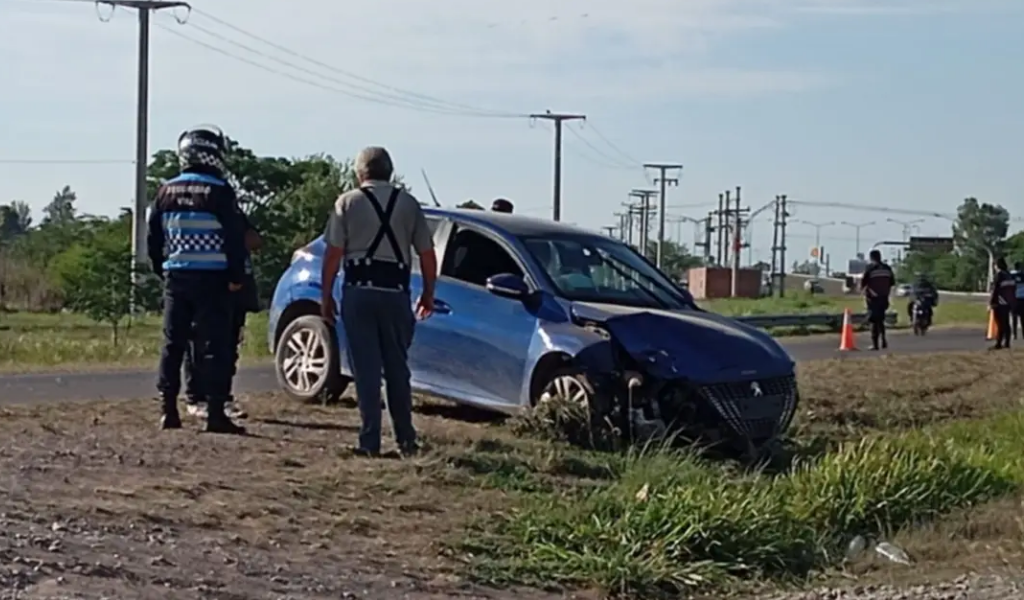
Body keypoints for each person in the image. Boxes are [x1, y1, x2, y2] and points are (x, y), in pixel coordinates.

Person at [320, 146, 437, 457]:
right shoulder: (408, 204)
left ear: (360, 174)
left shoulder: (347, 202)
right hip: (396, 293)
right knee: (397, 369)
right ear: (390, 172)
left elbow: (333, 254)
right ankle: (406, 439)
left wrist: (325, 296)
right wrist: (428, 293)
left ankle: (369, 440)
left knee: (366, 370)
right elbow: (427, 253)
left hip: (359, 290)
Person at [147, 124, 248, 434]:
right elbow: (234, 237)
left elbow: (153, 239)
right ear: (213, 155)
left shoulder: (164, 191)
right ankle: (216, 413)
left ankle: (168, 410)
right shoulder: (219, 191)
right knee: (214, 345)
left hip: (177, 278)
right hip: (214, 280)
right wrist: (236, 275)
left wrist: (160, 269)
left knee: (173, 344)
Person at [182, 214, 263, 419]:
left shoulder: (232, 212)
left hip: (237, 288)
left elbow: (255, 240)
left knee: (229, 346)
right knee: (198, 342)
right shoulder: (198, 214)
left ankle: (222, 398)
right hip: (210, 283)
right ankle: (196, 398)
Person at [860, 249, 895, 350]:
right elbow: (892, 283)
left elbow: (863, 283)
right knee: (881, 320)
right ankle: (883, 339)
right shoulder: (887, 268)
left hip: (873, 298)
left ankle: (875, 344)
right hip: (884, 298)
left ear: (871, 258)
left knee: (874, 321)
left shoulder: (870, 268)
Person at [990, 256, 1015, 350]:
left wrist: (992, 302)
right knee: (1006, 322)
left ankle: (999, 343)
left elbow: (995, 290)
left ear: (997, 265)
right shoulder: (1009, 274)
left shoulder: (999, 275)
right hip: (1008, 302)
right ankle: (1007, 342)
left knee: (1000, 323)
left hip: (999, 302)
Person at [1013, 262, 1024, 339]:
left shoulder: (1012, 276)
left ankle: (1014, 334)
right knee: (1023, 317)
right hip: (1022, 298)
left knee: (1014, 317)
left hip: (1015, 298)